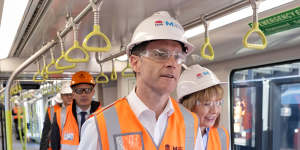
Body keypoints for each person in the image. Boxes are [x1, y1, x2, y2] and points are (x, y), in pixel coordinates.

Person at [78, 11, 204, 150]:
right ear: (135, 62)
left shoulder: (190, 122)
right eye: (161, 54)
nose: (172, 63)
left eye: (178, 57)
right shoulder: (100, 125)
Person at [177, 64, 230, 150]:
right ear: (187, 106)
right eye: (207, 104)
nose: (215, 111)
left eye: (218, 102)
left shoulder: (222, 135)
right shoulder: (171, 134)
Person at [50, 71, 101, 150]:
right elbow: (55, 145)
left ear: (93, 92)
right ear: (73, 94)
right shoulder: (60, 115)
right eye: (79, 90)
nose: (84, 94)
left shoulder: (103, 115)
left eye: (87, 90)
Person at [40, 81, 73, 150]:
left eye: (71, 94)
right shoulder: (55, 112)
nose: (69, 97)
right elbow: (46, 132)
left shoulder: (81, 111)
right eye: (66, 94)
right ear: (62, 96)